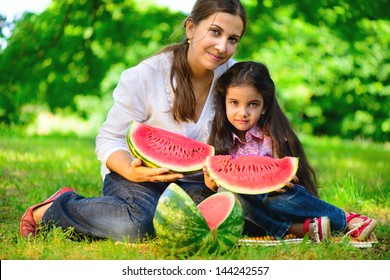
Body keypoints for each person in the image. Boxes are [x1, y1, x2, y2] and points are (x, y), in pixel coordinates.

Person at [20, 0, 247, 241]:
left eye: (233, 39)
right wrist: (130, 169)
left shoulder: (234, 78)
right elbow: (109, 140)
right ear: (190, 28)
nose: (222, 46)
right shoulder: (146, 76)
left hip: (196, 186)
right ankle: (57, 207)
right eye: (215, 32)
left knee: (234, 214)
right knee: (138, 225)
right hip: (137, 178)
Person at [204, 61, 378, 242]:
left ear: (264, 107)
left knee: (276, 201)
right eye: (234, 103)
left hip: (282, 204)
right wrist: (211, 181)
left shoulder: (272, 136)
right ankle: (300, 230)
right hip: (253, 213)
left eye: (253, 104)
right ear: (224, 102)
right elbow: (213, 189)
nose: (243, 112)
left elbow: (284, 178)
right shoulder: (219, 139)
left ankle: (345, 219)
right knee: (229, 196)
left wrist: (280, 182)